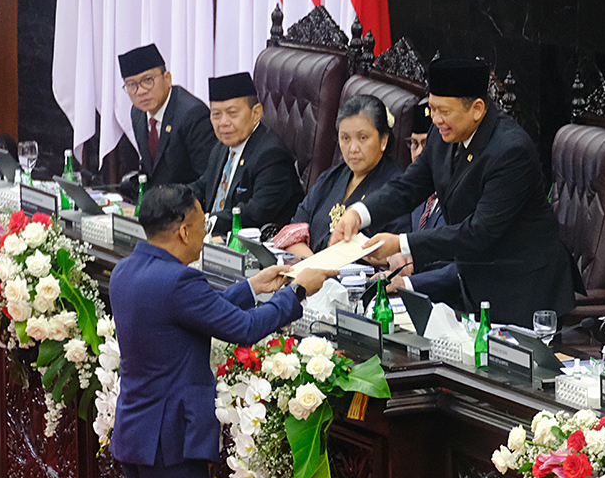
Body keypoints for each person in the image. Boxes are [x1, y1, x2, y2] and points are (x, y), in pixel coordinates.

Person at [109, 184, 334, 478]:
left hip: (137, 431)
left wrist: (251, 287)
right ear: (181, 229)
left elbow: (189, 314)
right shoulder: (179, 281)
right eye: (200, 225)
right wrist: (297, 291)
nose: (203, 235)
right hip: (173, 440)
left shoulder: (127, 271)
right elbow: (243, 329)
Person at [330, 58, 580, 326]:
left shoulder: (510, 150)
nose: (436, 119)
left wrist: (403, 244)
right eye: (432, 110)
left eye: (444, 111)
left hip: (524, 290)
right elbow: (408, 186)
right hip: (475, 284)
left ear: (477, 109)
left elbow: (479, 231)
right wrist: (359, 213)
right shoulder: (442, 134)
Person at [271, 94, 408, 257]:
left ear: (383, 140)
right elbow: (292, 234)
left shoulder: (397, 187)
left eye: (362, 138)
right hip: (309, 273)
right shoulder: (330, 178)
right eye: (345, 138)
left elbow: (394, 256)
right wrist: (314, 268)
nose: (353, 148)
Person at [190, 72, 303, 236]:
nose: (223, 123)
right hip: (214, 238)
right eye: (216, 114)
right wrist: (170, 202)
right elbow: (202, 187)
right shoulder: (222, 147)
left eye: (232, 113)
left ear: (256, 113)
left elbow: (255, 214)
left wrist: (202, 223)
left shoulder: (272, 155)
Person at [386, 99, 462, 308]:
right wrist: (396, 258)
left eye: (426, 145)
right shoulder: (418, 195)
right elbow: (405, 244)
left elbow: (461, 267)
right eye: (414, 144)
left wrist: (408, 283)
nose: (419, 153)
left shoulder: (463, 194)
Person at [119, 44, 217, 187]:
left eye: (148, 80)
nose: (140, 91)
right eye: (131, 84)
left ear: (167, 78)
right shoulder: (137, 112)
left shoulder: (192, 115)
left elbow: (208, 180)